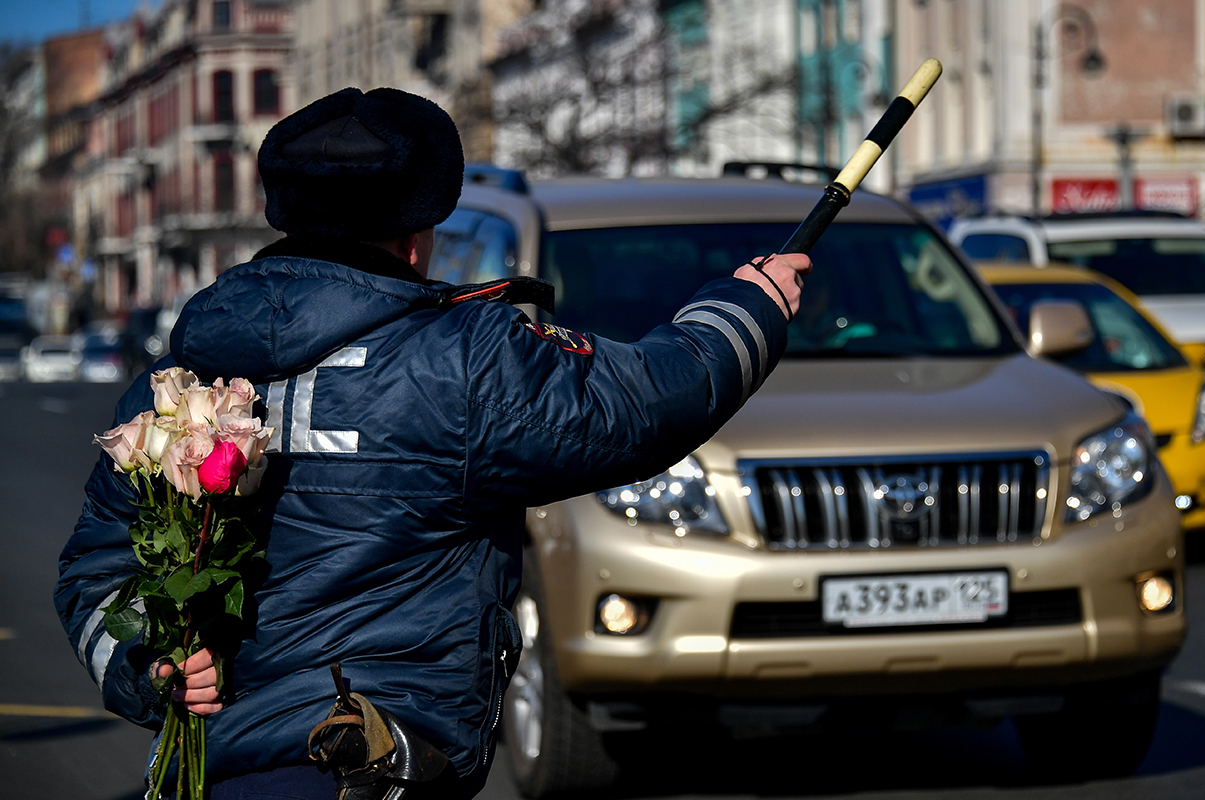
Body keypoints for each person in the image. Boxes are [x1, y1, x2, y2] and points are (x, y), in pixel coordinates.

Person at [56, 87, 809, 800]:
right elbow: (645, 404)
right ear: (416, 242)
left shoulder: (183, 374)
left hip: (219, 774)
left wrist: (145, 667)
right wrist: (752, 304)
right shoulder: (463, 360)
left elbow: (96, 568)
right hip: (373, 765)